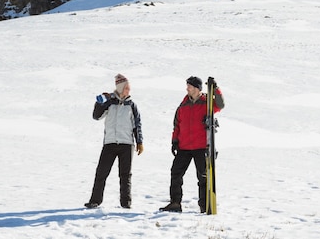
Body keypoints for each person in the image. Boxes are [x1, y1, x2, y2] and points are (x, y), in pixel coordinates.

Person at [160, 76, 225, 213]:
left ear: (197, 88)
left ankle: (204, 205)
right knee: (175, 174)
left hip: (201, 147)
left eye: (189, 86)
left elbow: (220, 105)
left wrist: (216, 89)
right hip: (183, 147)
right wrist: (174, 140)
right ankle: (175, 203)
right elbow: (177, 125)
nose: (187, 89)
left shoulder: (206, 103)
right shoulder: (183, 105)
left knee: (203, 177)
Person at [84, 73, 144, 209]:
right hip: (110, 143)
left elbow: (137, 124)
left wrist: (139, 141)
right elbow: (96, 116)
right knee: (101, 172)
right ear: (120, 88)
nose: (128, 90)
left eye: (129, 88)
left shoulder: (131, 105)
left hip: (126, 144)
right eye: (126, 88)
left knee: (125, 175)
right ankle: (95, 200)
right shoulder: (109, 103)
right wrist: (99, 104)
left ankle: (126, 203)